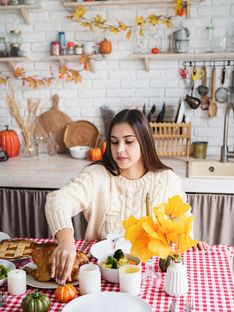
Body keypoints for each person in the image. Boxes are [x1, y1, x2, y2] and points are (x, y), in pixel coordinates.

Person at [45, 109, 208, 285]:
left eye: (128, 141)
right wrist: (66, 240)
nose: (119, 149)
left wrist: (189, 240)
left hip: (149, 277)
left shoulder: (167, 180)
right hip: (101, 274)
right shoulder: (96, 175)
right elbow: (57, 200)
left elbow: (183, 222)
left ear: (144, 142)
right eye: (114, 142)